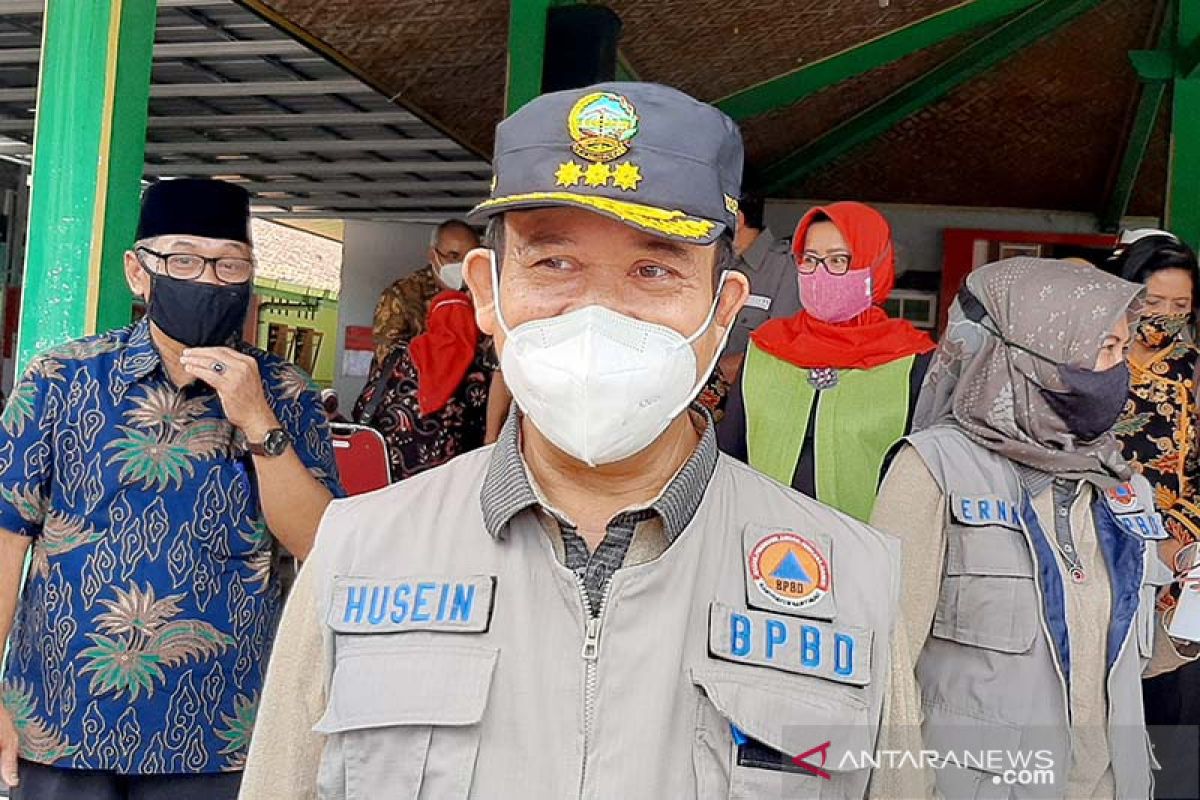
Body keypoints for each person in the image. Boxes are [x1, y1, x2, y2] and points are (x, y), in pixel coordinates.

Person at [240, 82, 928, 799]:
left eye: (655, 269)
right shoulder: (358, 554)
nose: (598, 313)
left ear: (723, 310)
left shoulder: (856, 585)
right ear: (487, 292)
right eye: (553, 262)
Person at [0, 179, 343, 799]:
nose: (208, 279)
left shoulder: (286, 393)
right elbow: (5, 538)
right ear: (138, 272)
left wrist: (256, 419)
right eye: (183, 260)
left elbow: (320, 543)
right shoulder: (63, 379)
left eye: (229, 264)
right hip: (61, 720)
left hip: (220, 732)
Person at [872, 257, 1193, 799]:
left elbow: (1117, 660)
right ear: (1037, 357)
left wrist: (1184, 621)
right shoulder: (935, 469)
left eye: (1123, 349)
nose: (1120, 372)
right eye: (1106, 349)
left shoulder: (1120, 484)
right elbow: (887, 662)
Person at [718, 201, 936, 522]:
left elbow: (923, 483)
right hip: (759, 545)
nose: (820, 273)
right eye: (809, 259)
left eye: (839, 260)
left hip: (866, 551)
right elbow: (729, 454)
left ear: (875, 265)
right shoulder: (767, 347)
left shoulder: (913, 360)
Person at [1108, 230, 1200, 797]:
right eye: (1152, 301)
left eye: (1180, 306)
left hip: (1183, 577)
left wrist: (1184, 545)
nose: (1163, 316)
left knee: (1175, 725)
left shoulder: (1193, 371)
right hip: (1102, 556)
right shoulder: (1093, 357)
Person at [351, 289, 496, 480]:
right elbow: (492, 427)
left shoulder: (400, 357)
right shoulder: (479, 373)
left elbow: (364, 406)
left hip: (391, 475)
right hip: (448, 484)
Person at [716, 193, 801, 384]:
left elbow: (782, 353)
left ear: (736, 219)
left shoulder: (788, 268)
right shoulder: (708, 263)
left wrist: (712, 380)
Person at [369, 219, 480, 365]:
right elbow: (388, 358)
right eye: (454, 256)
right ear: (433, 256)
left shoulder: (483, 293)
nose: (462, 265)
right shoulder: (401, 295)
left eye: (469, 258)